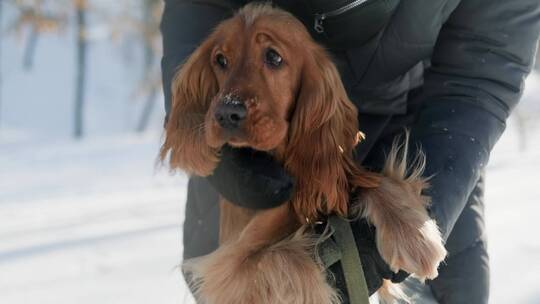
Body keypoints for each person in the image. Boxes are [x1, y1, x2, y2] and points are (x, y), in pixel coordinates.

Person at [160, 0, 540, 303]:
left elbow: (479, 77)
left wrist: (427, 208)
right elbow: (198, 9)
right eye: (222, 62)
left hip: (419, 135)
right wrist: (207, 140)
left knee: (449, 283)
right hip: (263, 162)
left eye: (271, 58)